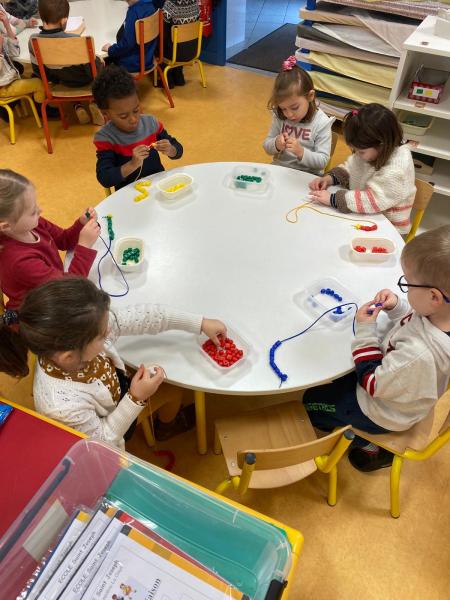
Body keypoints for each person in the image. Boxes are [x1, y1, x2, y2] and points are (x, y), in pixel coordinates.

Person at [0, 277, 227, 447]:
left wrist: (199, 323)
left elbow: (145, 316)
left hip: (117, 388)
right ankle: (166, 428)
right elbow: (103, 441)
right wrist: (135, 398)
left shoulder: (82, 332)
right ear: (69, 356)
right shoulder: (61, 408)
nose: (110, 330)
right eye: (102, 335)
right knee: (174, 391)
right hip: (114, 423)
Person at [302, 225, 450, 471]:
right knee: (338, 377)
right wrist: (397, 307)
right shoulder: (440, 315)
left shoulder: (419, 354)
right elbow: (414, 320)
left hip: (380, 411)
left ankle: (369, 444)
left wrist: (365, 330)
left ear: (434, 297)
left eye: (408, 284)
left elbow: (372, 383)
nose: (405, 288)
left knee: (310, 402)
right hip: (401, 387)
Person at [0, 169, 99, 311]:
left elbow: (64, 240)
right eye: (32, 211)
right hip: (39, 313)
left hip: (56, 289)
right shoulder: (19, 261)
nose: (40, 210)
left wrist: (81, 224)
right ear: (6, 226)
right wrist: (84, 247)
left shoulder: (34, 224)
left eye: (36, 204)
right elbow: (70, 289)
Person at [309, 103, 416, 234]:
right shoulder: (372, 151)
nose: (357, 154)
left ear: (382, 144)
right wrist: (329, 178)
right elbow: (351, 167)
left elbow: (372, 200)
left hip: (387, 228)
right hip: (363, 215)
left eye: (360, 151)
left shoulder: (397, 169)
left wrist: (333, 199)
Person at [92, 64, 182, 190]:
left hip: (158, 187)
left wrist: (171, 150)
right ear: (105, 114)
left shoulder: (151, 124)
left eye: (136, 110)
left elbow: (178, 150)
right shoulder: (106, 138)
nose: (133, 119)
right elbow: (105, 178)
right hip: (129, 193)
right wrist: (132, 164)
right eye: (123, 116)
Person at [28, 0, 104, 125]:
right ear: (64, 20)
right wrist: (98, 60)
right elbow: (92, 71)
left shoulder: (33, 40)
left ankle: (77, 106)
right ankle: (93, 102)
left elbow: (38, 71)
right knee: (99, 63)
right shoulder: (76, 40)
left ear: (41, 16)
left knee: (66, 72)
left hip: (62, 82)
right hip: (85, 81)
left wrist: (55, 79)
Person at [263, 56, 334, 175]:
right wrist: (276, 144)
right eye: (283, 108)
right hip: (281, 170)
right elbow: (266, 146)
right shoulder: (279, 116)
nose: (289, 114)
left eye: (295, 107)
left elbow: (323, 161)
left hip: (308, 175)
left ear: (310, 96)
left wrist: (301, 152)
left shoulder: (321, 122)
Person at [0, 11, 45, 106]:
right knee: (39, 83)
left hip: (9, 79)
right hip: (3, 87)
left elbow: (15, 52)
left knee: (33, 75)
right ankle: (43, 110)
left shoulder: (2, 36)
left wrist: (7, 25)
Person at [102, 0, 156, 74]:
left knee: (104, 61)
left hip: (133, 63)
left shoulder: (134, 12)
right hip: (148, 58)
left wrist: (110, 49)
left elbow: (127, 44)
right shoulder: (150, 5)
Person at [155, 0, 200, 88]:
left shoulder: (171, 4)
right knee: (178, 41)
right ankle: (179, 76)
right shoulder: (195, 2)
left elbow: (163, 34)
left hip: (176, 54)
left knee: (160, 44)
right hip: (193, 51)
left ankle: (167, 79)